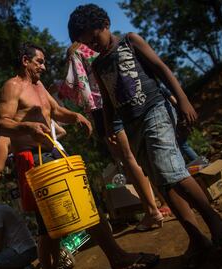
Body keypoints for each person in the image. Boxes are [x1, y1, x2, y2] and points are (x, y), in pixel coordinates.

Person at [68, 4, 222, 269]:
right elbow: (109, 100)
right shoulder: (98, 65)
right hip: (132, 124)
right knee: (162, 182)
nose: (93, 45)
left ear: (105, 23)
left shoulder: (130, 41)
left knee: (169, 169)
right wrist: (112, 128)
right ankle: (197, 238)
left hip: (156, 110)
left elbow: (161, 68)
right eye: (87, 43)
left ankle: (219, 226)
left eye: (94, 38)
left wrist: (182, 100)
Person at [0, 42, 159, 269]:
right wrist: (27, 127)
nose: (43, 66)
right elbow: (1, 122)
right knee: (51, 223)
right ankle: (114, 259)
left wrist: (76, 116)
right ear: (25, 61)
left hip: (53, 153)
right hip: (32, 160)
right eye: (39, 61)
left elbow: (56, 111)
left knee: (81, 205)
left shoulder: (39, 85)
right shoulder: (12, 87)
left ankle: (116, 258)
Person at [59, 41, 165, 231]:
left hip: (102, 108)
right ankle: (165, 202)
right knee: (141, 152)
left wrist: (58, 89)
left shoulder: (75, 52)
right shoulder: (103, 45)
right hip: (125, 99)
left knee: (127, 158)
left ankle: (152, 212)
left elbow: (77, 86)